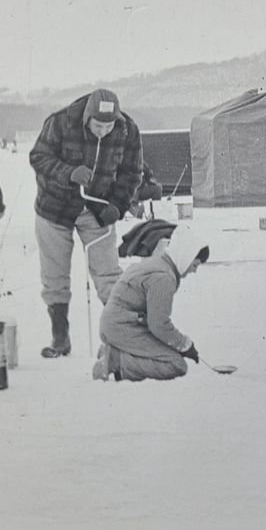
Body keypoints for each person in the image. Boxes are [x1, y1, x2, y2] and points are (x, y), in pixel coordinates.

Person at [30, 89, 143, 358]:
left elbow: (132, 173)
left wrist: (117, 205)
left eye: (108, 125)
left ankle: (122, 333)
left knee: (108, 273)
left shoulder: (128, 130)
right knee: (54, 275)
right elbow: (39, 157)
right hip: (54, 208)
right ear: (86, 118)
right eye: (98, 125)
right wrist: (69, 173)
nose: (103, 131)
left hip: (96, 208)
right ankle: (60, 337)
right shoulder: (59, 122)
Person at [92, 227, 209, 382]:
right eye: (195, 265)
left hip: (121, 322)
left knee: (168, 353)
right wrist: (184, 345)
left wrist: (177, 345)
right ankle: (116, 360)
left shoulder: (159, 262)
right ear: (186, 256)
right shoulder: (163, 278)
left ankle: (116, 349)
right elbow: (158, 324)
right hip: (122, 326)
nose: (194, 271)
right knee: (175, 364)